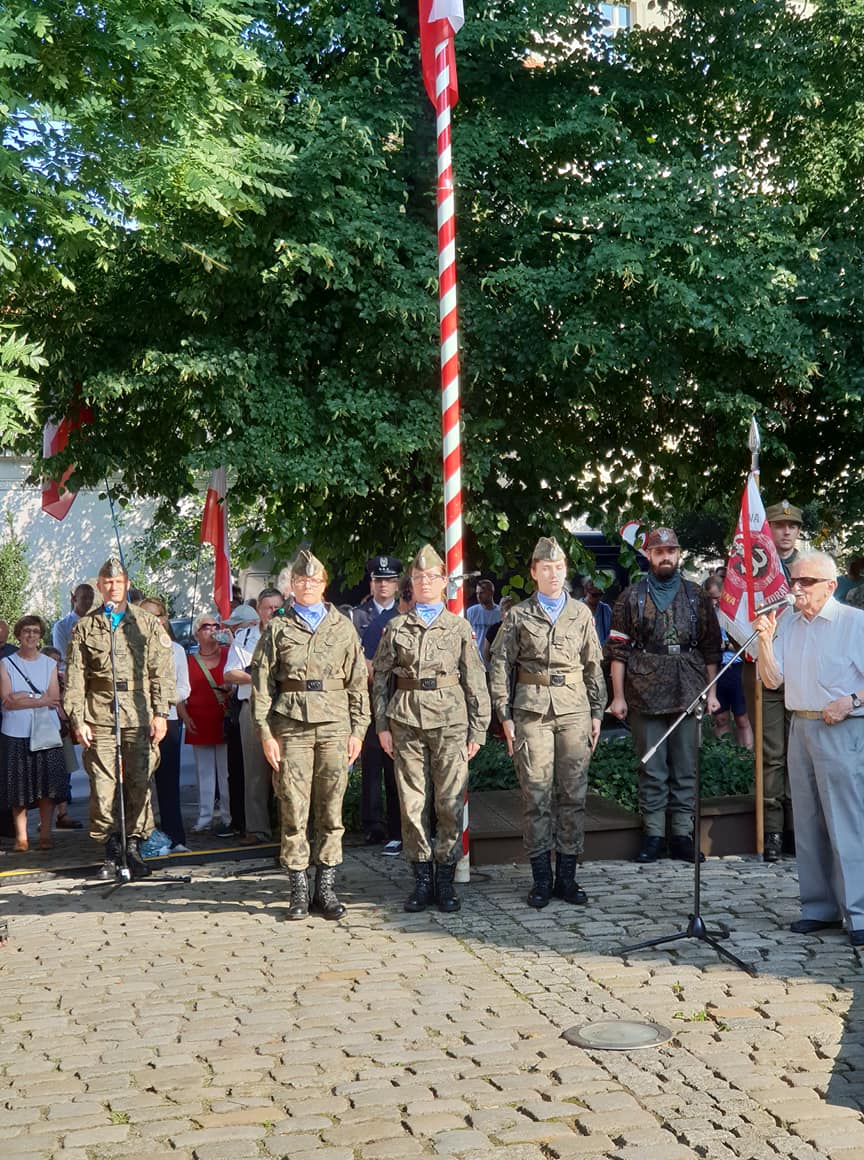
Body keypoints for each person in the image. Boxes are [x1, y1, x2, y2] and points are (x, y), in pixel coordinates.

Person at [372, 545, 490, 914]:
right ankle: (422, 878)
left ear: (443, 582)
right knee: (412, 805)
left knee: (450, 802)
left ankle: (445, 878)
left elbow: (475, 680)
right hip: (406, 721)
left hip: (451, 722)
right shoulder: (396, 627)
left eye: (432, 577)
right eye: (419, 577)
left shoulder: (459, 627)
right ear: (411, 582)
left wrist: (479, 729)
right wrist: (382, 725)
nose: (425, 583)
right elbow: (380, 679)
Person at [251, 550, 369, 921]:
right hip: (292, 726)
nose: (307, 586)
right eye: (301, 581)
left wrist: (359, 730)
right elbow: (262, 686)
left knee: (331, 809)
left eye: (314, 581)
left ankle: (326, 888)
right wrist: (265, 733)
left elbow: (357, 684)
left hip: (334, 726)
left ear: (324, 584)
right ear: (292, 585)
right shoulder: (278, 628)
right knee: (293, 808)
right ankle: (299, 889)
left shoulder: (342, 627)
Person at [754, 551, 864, 946]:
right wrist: (764, 641)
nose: (796, 588)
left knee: (846, 823)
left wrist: (851, 700)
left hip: (841, 728)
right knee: (808, 820)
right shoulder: (788, 622)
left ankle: (859, 913)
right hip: (800, 724)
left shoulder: (854, 623)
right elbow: (772, 680)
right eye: (793, 581)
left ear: (830, 586)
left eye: (806, 582)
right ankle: (818, 908)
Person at [489, 537, 606, 908]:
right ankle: (541, 879)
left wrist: (597, 712)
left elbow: (593, 666)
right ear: (534, 572)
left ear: (565, 570)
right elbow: (499, 664)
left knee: (573, 794)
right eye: (546, 568)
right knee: (536, 795)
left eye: (559, 567)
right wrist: (504, 714)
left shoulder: (581, 614)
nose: (553, 574)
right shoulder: (519, 615)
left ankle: (566, 879)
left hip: (574, 710)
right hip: (532, 712)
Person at [606, 527, 722, 863]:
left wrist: (712, 693)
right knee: (652, 766)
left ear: (679, 554)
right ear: (649, 556)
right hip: (644, 689)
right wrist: (618, 697)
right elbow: (617, 650)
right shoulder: (631, 597)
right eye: (659, 552)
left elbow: (711, 648)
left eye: (671, 551)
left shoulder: (696, 595)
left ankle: (682, 835)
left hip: (689, 687)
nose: (666, 557)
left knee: (686, 765)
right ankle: (654, 834)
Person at [64, 557, 175, 879]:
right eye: (107, 582)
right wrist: (78, 719)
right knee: (103, 787)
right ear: (100, 586)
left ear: (128, 584)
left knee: (139, 783)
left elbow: (161, 673)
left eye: (118, 582)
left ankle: (134, 847)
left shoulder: (146, 623)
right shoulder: (85, 627)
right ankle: (112, 848)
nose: (113, 587)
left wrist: (161, 713)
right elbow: (75, 679)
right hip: (100, 714)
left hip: (139, 713)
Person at [742, 499, 803, 862]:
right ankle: (774, 831)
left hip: (804, 673)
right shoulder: (755, 570)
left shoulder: (810, 570)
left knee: (801, 753)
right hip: (765, 670)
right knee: (772, 754)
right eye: (779, 526)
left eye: (792, 526)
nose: (786, 532)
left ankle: (799, 827)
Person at [0, 616, 66, 851]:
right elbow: (8, 701)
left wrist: (24, 696)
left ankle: (46, 834)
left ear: (40, 635)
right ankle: (22, 837)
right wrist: (39, 699)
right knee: (18, 787)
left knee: (46, 787)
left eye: (35, 631)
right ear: (18, 635)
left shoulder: (49, 663)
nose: (31, 635)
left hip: (45, 731)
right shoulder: (6, 663)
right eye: (26, 631)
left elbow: (54, 698)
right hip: (15, 732)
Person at [351, 555, 404, 853]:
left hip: (397, 698)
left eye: (389, 580)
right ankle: (372, 825)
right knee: (370, 764)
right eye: (378, 580)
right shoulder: (356, 616)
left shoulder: (403, 614)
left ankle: (397, 825)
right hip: (366, 699)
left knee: (395, 764)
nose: (383, 585)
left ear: (396, 584)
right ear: (371, 583)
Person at [224, 591, 284, 846]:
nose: (272, 612)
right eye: (268, 607)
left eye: (277, 607)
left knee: (287, 769)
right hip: (252, 706)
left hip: (284, 709)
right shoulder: (245, 636)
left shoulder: (290, 634)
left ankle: (289, 827)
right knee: (255, 772)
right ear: (258, 609)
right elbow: (230, 673)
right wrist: (259, 678)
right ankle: (257, 829)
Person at [139, 598, 191, 852]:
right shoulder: (131, 648)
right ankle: (141, 836)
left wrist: (162, 701)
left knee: (168, 781)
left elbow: (184, 688)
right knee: (139, 784)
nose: (151, 621)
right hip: (137, 722)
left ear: (163, 619)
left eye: (155, 616)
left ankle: (174, 835)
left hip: (167, 720)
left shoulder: (176, 650)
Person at [183, 612, 233, 836]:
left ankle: (228, 816)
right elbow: (179, 692)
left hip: (225, 720)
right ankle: (204, 817)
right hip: (199, 720)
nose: (212, 630)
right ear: (197, 634)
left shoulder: (229, 654)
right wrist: (186, 718)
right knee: (204, 773)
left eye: (215, 625)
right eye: (206, 626)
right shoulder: (189, 662)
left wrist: (231, 641)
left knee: (226, 773)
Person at [702, 576, 752, 749]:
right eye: (709, 598)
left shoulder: (736, 612)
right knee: (721, 718)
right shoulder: (707, 613)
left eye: (716, 597)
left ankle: (746, 754)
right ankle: (724, 755)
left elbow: (746, 642)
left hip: (736, 666)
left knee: (742, 718)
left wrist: (725, 645)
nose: (713, 602)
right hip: (715, 667)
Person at [466, 579, 502, 667]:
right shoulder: (471, 612)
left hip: (494, 661)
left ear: (491, 593)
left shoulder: (500, 613)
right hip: (476, 661)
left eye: (482, 593)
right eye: (477, 593)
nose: (479, 596)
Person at [581, 580, 612, 647]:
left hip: (603, 649)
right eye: (594, 595)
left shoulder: (606, 609)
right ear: (586, 592)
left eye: (600, 594)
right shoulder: (577, 608)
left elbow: (611, 631)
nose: (598, 598)